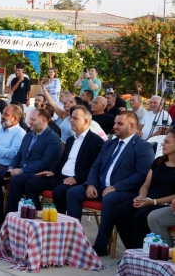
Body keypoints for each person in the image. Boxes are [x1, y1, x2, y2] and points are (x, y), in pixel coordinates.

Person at [65, 111, 154, 256]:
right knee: (73, 192)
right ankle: (74, 238)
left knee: (110, 199)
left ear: (131, 126)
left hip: (125, 191)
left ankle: (101, 245)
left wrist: (117, 187)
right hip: (100, 187)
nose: (115, 126)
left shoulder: (143, 146)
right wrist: (91, 184)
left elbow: (143, 175)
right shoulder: (110, 143)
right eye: (115, 123)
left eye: (120, 124)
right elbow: (96, 166)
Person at [0, 108, 63, 225]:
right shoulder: (29, 135)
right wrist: (10, 168)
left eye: (33, 120)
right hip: (20, 169)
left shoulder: (53, 139)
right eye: (29, 119)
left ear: (43, 120)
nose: (29, 122)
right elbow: (19, 155)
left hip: (38, 173)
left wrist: (21, 170)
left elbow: (45, 163)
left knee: (16, 180)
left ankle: (10, 220)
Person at [25, 106, 104, 212]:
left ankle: (59, 223)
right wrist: (53, 171)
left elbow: (95, 167)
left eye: (75, 118)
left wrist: (76, 178)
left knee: (59, 191)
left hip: (78, 180)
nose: (71, 120)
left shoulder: (96, 141)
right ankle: (35, 215)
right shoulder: (71, 139)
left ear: (85, 121)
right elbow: (63, 161)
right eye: (71, 117)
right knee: (31, 183)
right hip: (61, 177)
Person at [112, 130, 175, 249]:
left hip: (165, 204)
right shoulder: (159, 161)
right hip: (149, 200)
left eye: (166, 142)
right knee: (120, 210)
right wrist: (141, 197)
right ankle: (132, 250)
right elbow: (146, 184)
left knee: (140, 215)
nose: (162, 144)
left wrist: (153, 202)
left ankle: (140, 252)